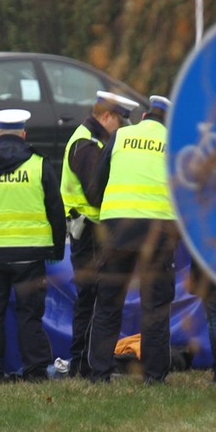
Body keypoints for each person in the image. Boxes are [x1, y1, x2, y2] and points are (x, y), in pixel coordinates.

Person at [0, 109, 66, 383]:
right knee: (29, 315)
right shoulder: (39, 164)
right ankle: (35, 372)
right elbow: (56, 209)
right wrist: (56, 251)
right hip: (30, 256)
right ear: (23, 134)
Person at [85, 95, 178, 384]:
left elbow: (95, 185)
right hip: (158, 234)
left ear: (144, 116)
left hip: (118, 231)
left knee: (108, 303)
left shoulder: (122, 136)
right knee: (156, 307)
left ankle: (99, 373)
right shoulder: (175, 143)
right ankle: (154, 375)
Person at [60, 91, 139, 378]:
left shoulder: (95, 141)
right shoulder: (86, 145)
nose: (121, 128)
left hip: (93, 232)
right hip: (89, 232)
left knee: (92, 298)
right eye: (119, 121)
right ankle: (82, 364)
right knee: (90, 299)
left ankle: (85, 363)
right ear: (106, 116)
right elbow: (95, 193)